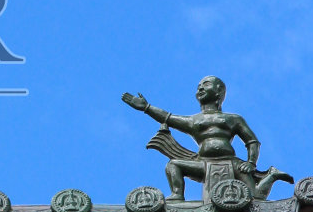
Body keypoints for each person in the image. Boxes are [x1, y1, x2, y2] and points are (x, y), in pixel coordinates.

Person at [121, 76, 291, 200]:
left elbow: (252, 141)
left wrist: (251, 163)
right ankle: (177, 194)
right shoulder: (194, 120)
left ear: (218, 91)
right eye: (198, 86)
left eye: (206, 84)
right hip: (203, 163)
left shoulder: (233, 119)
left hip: (232, 162)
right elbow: (167, 118)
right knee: (173, 165)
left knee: (256, 196)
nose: (200, 89)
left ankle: (272, 175)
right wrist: (147, 107)